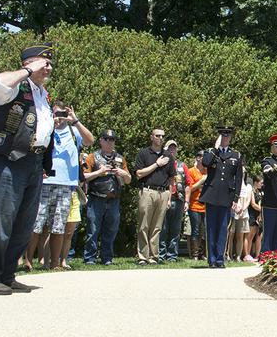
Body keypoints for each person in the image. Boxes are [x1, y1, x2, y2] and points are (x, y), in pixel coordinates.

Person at [0, 44, 56, 295]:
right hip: (6, 160)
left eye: (50, 63)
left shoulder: (42, 94)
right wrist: (25, 71)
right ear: (30, 62)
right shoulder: (14, 87)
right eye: (44, 62)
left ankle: (7, 274)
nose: (49, 67)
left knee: (23, 224)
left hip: (33, 162)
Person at [25, 101, 94, 270]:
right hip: (45, 183)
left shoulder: (73, 131)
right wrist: (50, 123)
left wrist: (75, 120)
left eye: (63, 114)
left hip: (66, 185)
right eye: (57, 114)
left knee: (59, 225)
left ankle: (55, 263)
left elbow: (90, 140)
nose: (60, 118)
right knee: (37, 223)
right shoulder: (46, 129)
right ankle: (27, 261)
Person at [82, 129, 130, 265]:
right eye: (107, 139)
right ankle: (90, 257)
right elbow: (84, 176)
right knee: (93, 229)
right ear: (101, 140)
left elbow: (128, 180)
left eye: (112, 139)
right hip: (96, 198)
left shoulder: (120, 158)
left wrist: (123, 173)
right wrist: (100, 171)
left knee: (111, 230)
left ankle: (107, 258)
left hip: (114, 198)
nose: (110, 142)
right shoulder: (92, 156)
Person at [199, 125, 243, 268]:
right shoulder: (211, 152)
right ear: (219, 138)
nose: (225, 139)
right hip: (212, 195)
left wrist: (236, 199)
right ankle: (211, 259)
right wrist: (215, 148)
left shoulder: (236, 155)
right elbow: (205, 163)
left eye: (227, 136)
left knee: (223, 228)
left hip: (226, 197)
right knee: (211, 228)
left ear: (230, 138)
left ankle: (220, 258)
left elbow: (238, 179)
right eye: (223, 136)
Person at [134, 128, 174, 265]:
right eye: (158, 136)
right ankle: (142, 257)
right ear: (151, 137)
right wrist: (157, 164)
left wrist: (169, 198)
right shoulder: (144, 153)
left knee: (157, 227)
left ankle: (153, 256)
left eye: (163, 136)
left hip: (163, 193)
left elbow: (171, 179)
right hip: (147, 191)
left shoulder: (168, 155)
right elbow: (139, 173)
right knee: (144, 225)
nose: (161, 138)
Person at [159, 140, 190, 262]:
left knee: (176, 229)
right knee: (162, 228)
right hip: (163, 199)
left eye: (174, 149)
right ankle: (161, 255)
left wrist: (187, 201)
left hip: (178, 200)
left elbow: (188, 184)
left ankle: (172, 255)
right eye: (169, 149)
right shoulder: (161, 164)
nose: (172, 151)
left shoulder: (182, 166)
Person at [186, 150, 207, 259]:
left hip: (205, 206)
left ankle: (202, 254)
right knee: (195, 230)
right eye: (204, 156)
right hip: (194, 205)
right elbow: (190, 188)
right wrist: (201, 181)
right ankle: (194, 255)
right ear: (198, 158)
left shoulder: (207, 172)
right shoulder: (191, 171)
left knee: (204, 231)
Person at [227, 176, 252, 261]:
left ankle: (238, 256)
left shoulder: (248, 186)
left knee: (240, 236)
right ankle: (228, 255)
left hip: (243, 213)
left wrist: (243, 209)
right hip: (233, 211)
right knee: (230, 235)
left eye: (244, 172)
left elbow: (248, 200)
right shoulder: (233, 183)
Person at [245, 176, 263, 261]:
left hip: (257, 216)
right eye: (261, 182)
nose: (261, 184)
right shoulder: (251, 191)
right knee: (249, 236)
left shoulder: (259, 192)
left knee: (256, 236)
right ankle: (247, 254)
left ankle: (254, 255)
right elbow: (253, 204)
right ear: (256, 182)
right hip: (251, 214)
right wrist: (263, 210)